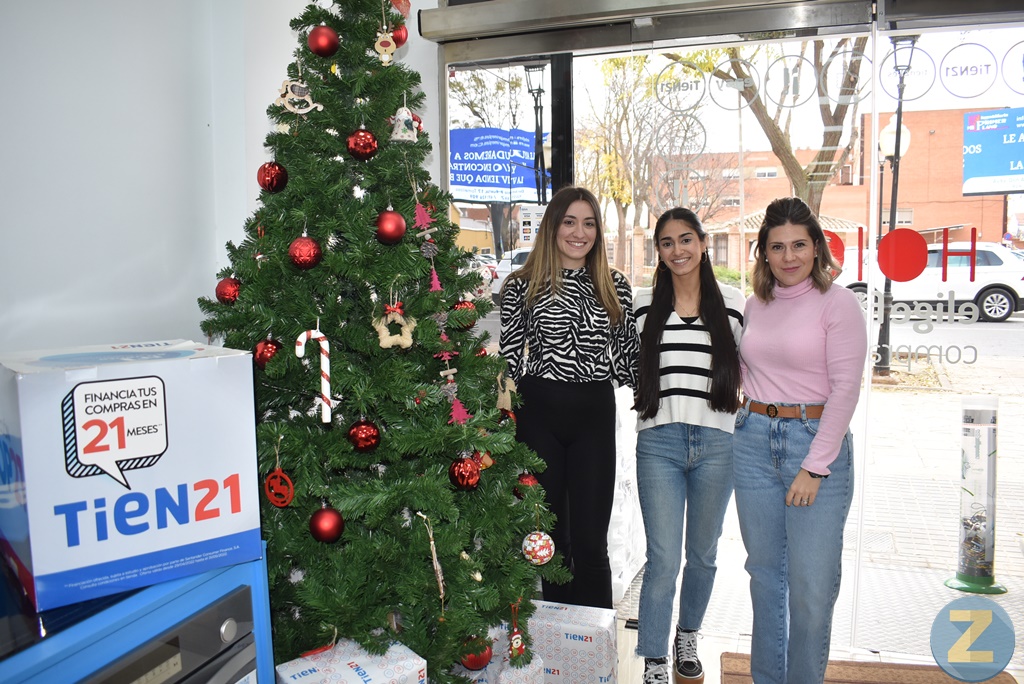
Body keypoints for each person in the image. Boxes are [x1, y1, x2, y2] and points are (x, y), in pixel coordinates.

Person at [733, 197, 867, 683]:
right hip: (752, 444)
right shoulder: (755, 304)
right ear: (764, 254)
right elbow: (747, 372)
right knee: (765, 580)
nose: (789, 257)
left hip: (814, 447)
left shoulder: (839, 303)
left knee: (811, 589)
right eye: (777, 247)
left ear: (816, 248)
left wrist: (815, 466)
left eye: (798, 245)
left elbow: (846, 389)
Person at [499, 186, 639, 609]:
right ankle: (559, 651)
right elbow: (508, 360)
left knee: (592, 546)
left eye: (590, 223)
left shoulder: (614, 285)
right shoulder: (521, 286)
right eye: (570, 221)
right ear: (553, 226)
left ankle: (595, 658)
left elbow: (631, 357)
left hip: (594, 414)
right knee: (551, 542)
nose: (580, 233)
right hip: (538, 413)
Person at [632, 208, 745, 684]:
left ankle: (688, 634)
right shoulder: (641, 305)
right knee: (662, 558)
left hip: (718, 443)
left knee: (703, 554)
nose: (677, 250)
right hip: (658, 442)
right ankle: (655, 655)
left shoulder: (737, 305)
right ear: (657, 251)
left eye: (685, 240)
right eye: (666, 243)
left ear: (702, 243)